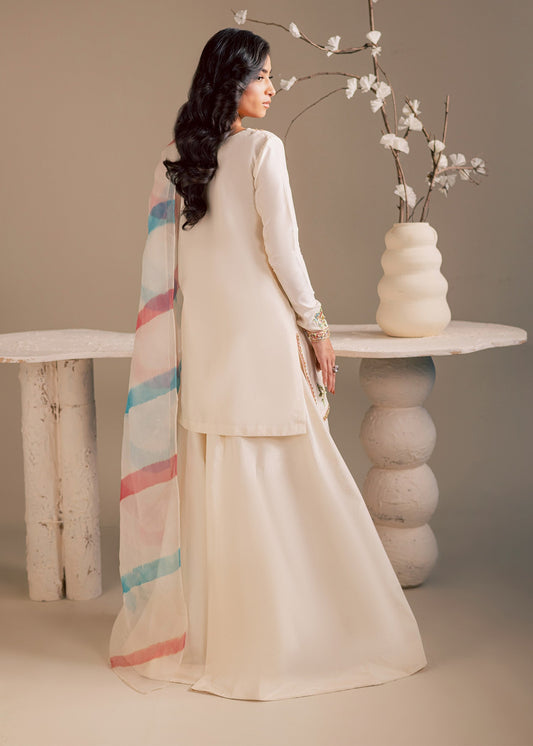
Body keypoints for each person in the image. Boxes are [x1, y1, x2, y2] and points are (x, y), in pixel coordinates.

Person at [109, 27, 427, 700]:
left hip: (205, 338)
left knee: (218, 474)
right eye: (262, 76)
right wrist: (316, 326)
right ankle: (292, 634)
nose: (272, 88)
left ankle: (217, 637)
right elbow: (283, 249)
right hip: (259, 332)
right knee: (289, 473)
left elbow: (170, 267)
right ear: (231, 81)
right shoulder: (261, 149)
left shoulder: (176, 160)